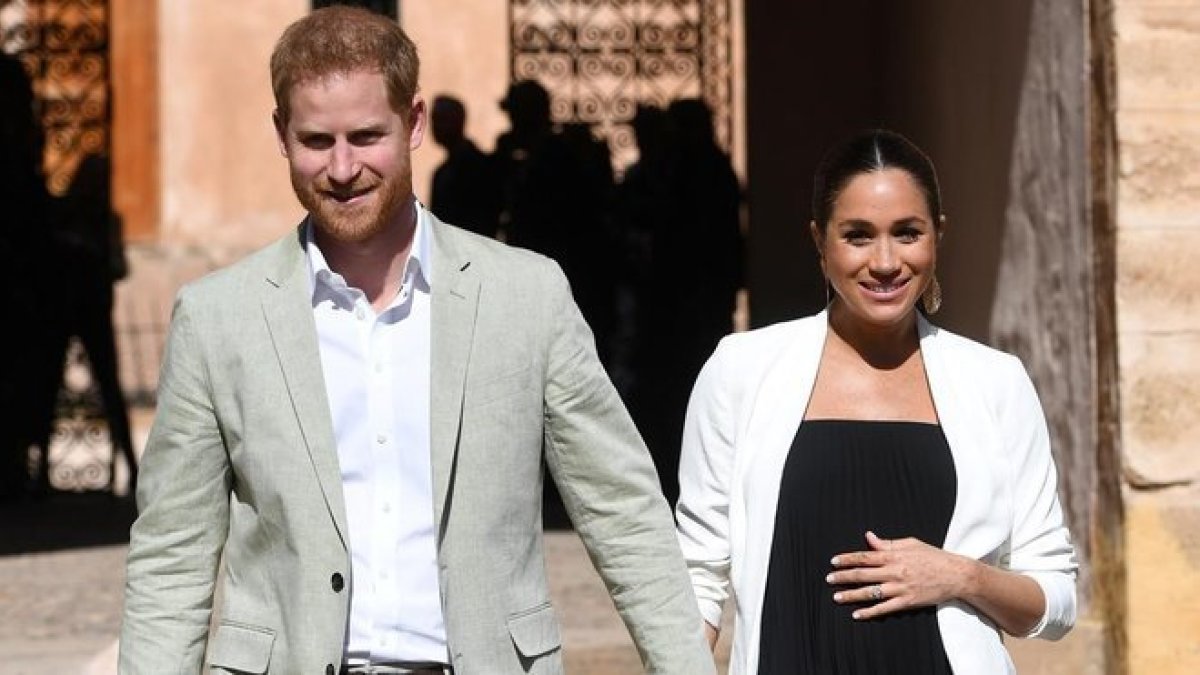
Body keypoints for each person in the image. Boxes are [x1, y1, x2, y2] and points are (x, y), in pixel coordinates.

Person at [119, 7, 713, 675]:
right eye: (317, 140)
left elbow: (623, 509)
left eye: (367, 135)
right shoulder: (217, 317)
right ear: (281, 134)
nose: (343, 168)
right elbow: (173, 551)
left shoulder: (525, 296)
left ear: (416, 123)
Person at [675, 129, 1077, 674]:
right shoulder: (741, 370)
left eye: (907, 233)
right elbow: (697, 574)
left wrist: (962, 575)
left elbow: (1055, 600)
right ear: (820, 242)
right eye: (858, 235)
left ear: (938, 235)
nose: (885, 262)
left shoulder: (995, 382)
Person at [429, 95, 500, 238]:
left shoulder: (479, 166)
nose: (435, 126)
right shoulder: (442, 172)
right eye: (434, 120)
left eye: (441, 119)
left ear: (458, 121)